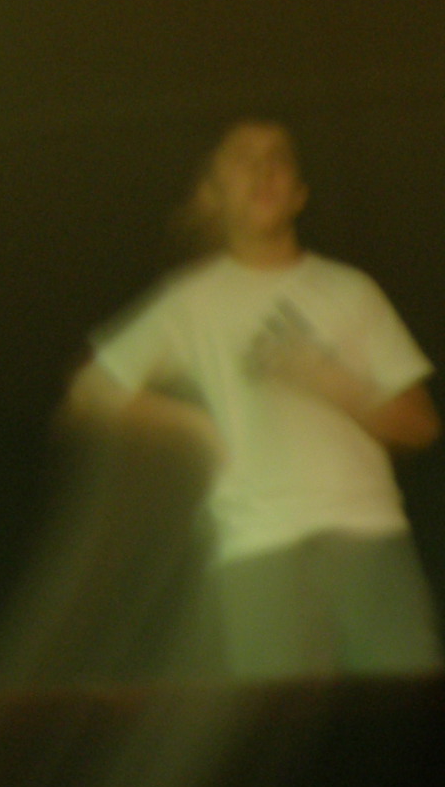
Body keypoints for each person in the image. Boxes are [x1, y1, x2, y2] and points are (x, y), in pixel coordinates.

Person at [67, 120, 444, 679]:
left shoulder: (350, 290)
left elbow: (421, 424)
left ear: (299, 194)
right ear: (215, 192)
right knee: (280, 721)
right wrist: (193, 426)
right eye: (244, 159)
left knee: (408, 712)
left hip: (368, 535)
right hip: (257, 548)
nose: (264, 170)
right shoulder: (191, 301)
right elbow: (90, 392)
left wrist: (333, 383)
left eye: (278, 158)